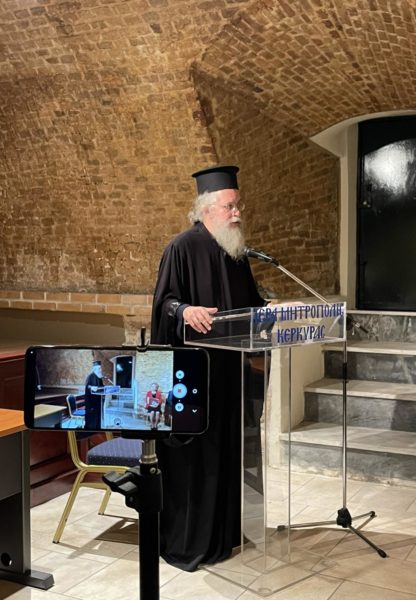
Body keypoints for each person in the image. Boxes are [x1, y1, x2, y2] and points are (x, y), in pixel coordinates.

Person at [151, 165, 265, 572]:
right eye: (230, 206)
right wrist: (185, 310)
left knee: (226, 456)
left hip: (230, 377)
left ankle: (223, 535)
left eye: (238, 206)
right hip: (194, 378)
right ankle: (188, 543)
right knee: (196, 463)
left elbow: (251, 307)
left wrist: (275, 311)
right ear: (206, 209)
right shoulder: (181, 248)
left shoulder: (236, 253)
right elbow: (164, 303)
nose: (237, 213)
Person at [84, 360, 104, 430]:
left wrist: (105, 388)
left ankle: (98, 428)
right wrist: (91, 387)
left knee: (98, 417)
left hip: (98, 401)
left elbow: (101, 387)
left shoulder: (99, 377)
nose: (100, 370)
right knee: (92, 419)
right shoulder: (90, 376)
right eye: (99, 368)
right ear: (95, 369)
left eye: (101, 368)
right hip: (91, 403)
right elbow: (87, 386)